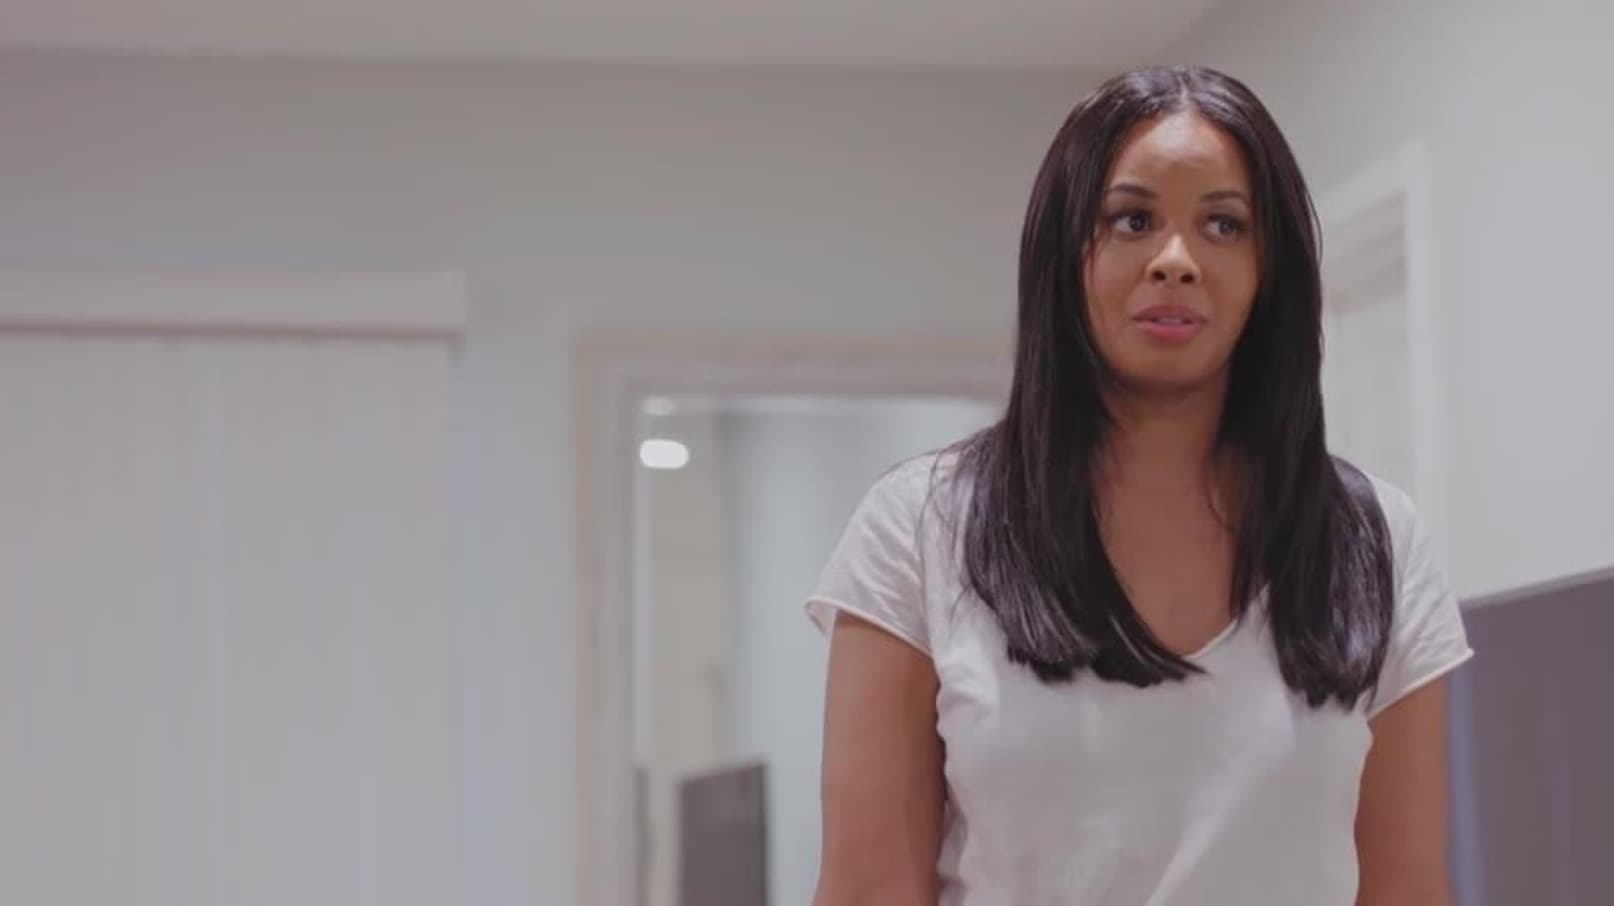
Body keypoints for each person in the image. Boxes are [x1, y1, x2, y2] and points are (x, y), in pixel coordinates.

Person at [805, 66, 1473, 906]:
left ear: (1269, 270)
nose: (1177, 261)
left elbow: (1408, 891)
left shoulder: (1375, 543)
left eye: (1224, 225)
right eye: (1132, 220)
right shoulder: (919, 527)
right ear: (1065, 254)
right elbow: (865, 890)